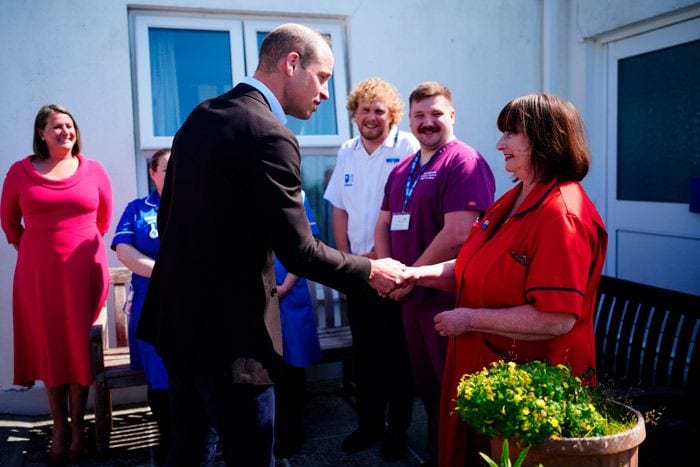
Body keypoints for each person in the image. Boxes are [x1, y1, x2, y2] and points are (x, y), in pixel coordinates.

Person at [136, 23, 407, 467]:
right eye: (323, 78)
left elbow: (169, 222)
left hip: (177, 323)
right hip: (233, 337)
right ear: (292, 63)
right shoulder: (268, 134)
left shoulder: (198, 117)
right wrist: (371, 271)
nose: (324, 94)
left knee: (187, 451)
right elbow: (298, 250)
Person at [406, 93, 607, 466]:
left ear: (547, 139)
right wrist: (417, 274)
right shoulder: (514, 196)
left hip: (529, 396)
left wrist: (468, 319)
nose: (500, 144)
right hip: (486, 373)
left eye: (512, 134)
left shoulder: (562, 215)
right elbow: (473, 266)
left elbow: (555, 317)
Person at [374, 82, 495, 464]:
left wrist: (409, 275)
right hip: (411, 299)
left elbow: (460, 232)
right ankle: (440, 452)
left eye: (436, 114)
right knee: (427, 388)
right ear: (409, 120)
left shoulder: (464, 162)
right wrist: (389, 271)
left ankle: (464, 458)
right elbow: (383, 224)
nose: (427, 123)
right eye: (419, 116)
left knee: (455, 390)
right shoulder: (403, 170)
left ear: (452, 116)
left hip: (448, 299)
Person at [1, 104, 112, 464]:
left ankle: (78, 428)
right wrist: (38, 252)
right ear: (41, 134)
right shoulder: (20, 172)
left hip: (84, 274)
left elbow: (102, 219)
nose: (65, 131)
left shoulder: (93, 170)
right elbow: (9, 223)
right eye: (57, 126)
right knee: (52, 348)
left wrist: (73, 252)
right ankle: (59, 428)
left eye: (69, 125)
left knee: (78, 347)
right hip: (39, 277)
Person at [323, 77, 418, 460]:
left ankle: (398, 432)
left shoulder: (408, 146)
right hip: (360, 271)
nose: (371, 117)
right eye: (364, 109)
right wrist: (346, 264)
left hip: (395, 271)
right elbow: (338, 209)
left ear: (392, 115)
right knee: (366, 357)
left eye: (379, 110)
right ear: (354, 113)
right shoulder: (347, 150)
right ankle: (368, 426)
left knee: (398, 357)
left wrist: (392, 267)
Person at [111, 148, 172, 462]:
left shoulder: (197, 205)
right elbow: (123, 250)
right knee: (160, 378)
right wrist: (166, 272)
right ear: (152, 173)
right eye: (166, 168)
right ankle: (168, 436)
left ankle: (195, 437)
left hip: (191, 308)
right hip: (151, 307)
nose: (174, 174)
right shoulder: (138, 209)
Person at [273, 190, 321, 459]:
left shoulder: (297, 196)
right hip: (254, 296)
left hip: (290, 293)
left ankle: (292, 429)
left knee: (293, 364)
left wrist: (285, 285)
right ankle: (273, 430)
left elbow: (308, 242)